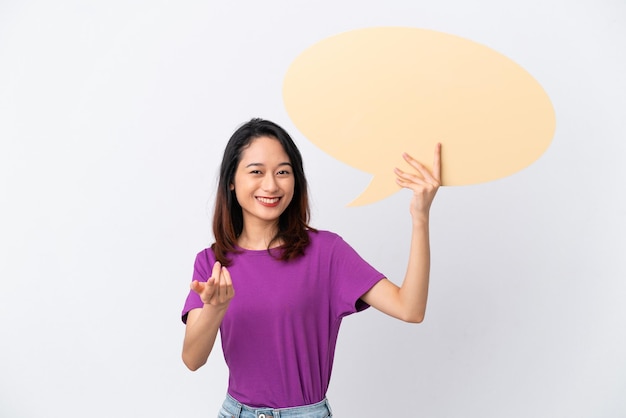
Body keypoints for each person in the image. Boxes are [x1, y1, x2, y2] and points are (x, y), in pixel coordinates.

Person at [181, 118, 441, 418]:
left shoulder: (326, 252)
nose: (271, 185)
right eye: (256, 172)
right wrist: (215, 308)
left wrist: (420, 216)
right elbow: (192, 359)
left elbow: (410, 308)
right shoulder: (211, 263)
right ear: (231, 180)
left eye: (283, 172)